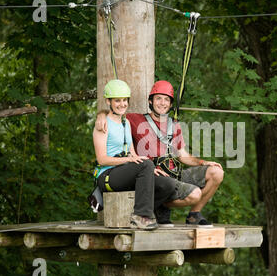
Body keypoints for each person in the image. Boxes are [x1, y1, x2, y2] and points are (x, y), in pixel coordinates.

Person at [95, 80, 224, 227]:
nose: (162, 103)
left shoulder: (174, 125)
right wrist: (101, 115)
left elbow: (182, 155)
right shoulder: (135, 120)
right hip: (151, 175)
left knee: (217, 172)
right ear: (150, 101)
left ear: (170, 104)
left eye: (166, 99)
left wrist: (203, 163)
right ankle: (158, 207)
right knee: (193, 193)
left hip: (173, 173)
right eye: (158, 98)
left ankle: (194, 215)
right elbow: (115, 113)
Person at [93, 79, 176, 230]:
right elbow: (102, 159)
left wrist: (149, 170)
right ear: (108, 101)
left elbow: (133, 154)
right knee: (146, 164)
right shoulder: (103, 124)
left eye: (124, 100)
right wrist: (135, 162)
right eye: (117, 101)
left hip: (123, 172)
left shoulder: (126, 123)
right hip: (106, 176)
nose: (122, 104)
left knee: (167, 184)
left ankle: (140, 211)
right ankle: (141, 216)